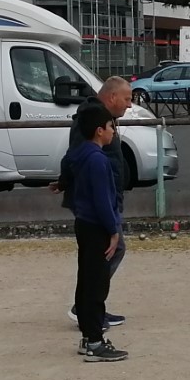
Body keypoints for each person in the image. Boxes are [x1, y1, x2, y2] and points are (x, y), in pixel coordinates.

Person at [53, 76, 133, 327]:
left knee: (104, 253)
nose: (129, 105)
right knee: (108, 250)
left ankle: (92, 306)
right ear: (112, 97)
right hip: (96, 200)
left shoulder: (100, 118)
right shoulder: (91, 120)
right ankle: (87, 308)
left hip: (106, 196)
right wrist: (65, 181)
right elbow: (74, 155)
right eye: (127, 99)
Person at [64, 103, 128, 362]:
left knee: (86, 280)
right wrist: (113, 230)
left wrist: (61, 183)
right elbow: (103, 200)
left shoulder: (80, 153)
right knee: (97, 284)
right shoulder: (98, 160)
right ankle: (94, 342)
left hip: (83, 223)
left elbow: (67, 164)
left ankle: (87, 336)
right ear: (100, 130)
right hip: (97, 226)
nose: (113, 131)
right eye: (111, 126)